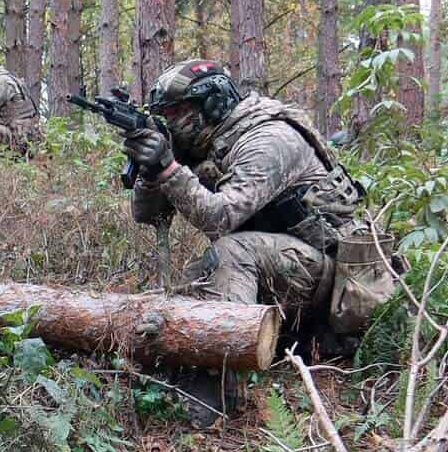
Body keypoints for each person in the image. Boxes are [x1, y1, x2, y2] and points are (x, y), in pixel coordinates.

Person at [122, 59, 374, 424]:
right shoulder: (210, 140)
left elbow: (219, 218)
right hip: (291, 267)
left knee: (229, 252)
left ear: (212, 103)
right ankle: (190, 365)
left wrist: (170, 170)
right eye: (165, 114)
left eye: (177, 112)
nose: (171, 122)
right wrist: (150, 173)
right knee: (197, 275)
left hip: (335, 280)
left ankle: (215, 394)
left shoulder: (267, 139)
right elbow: (147, 216)